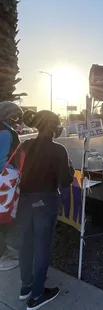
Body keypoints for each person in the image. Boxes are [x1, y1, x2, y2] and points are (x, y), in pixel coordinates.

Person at [17, 110, 75, 310]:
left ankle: (26, 288)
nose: (59, 128)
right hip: (44, 201)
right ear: (51, 126)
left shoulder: (25, 145)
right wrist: (71, 170)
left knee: (25, 244)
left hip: (23, 201)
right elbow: (65, 182)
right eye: (57, 124)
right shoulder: (58, 150)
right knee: (42, 246)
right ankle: (38, 294)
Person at [0, 101, 23, 271]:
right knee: (4, 217)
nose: (18, 120)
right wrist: (14, 171)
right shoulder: (6, 133)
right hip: (4, 180)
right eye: (16, 116)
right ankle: (2, 255)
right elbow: (2, 159)